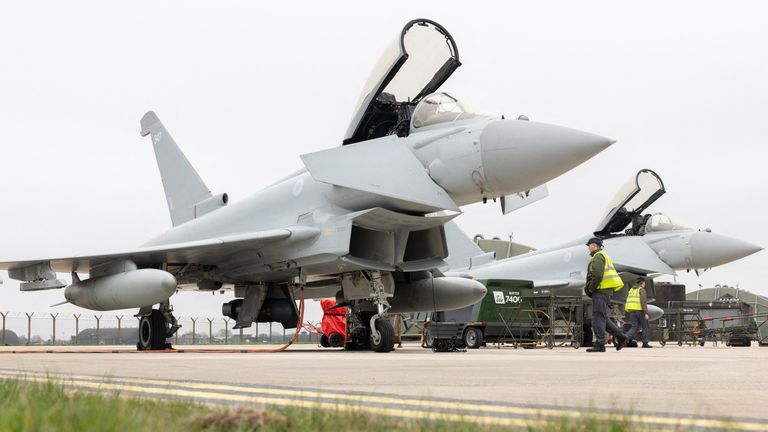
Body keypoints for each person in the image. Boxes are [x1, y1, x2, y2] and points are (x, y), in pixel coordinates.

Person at [584, 237, 628, 352]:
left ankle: (600, 344)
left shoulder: (598, 257)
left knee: (597, 317)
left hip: (600, 291)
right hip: (604, 291)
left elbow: (597, 275)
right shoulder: (603, 255)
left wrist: (591, 288)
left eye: (589, 246)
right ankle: (620, 336)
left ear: (594, 245)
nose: (588, 248)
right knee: (602, 317)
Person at [624, 277, 652, 348]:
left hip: (632, 311)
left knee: (634, 328)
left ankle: (623, 339)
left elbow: (628, 300)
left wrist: (628, 309)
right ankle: (645, 343)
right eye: (644, 283)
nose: (645, 284)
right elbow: (643, 302)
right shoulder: (641, 290)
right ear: (642, 283)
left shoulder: (631, 290)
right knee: (645, 327)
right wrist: (646, 313)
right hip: (640, 311)